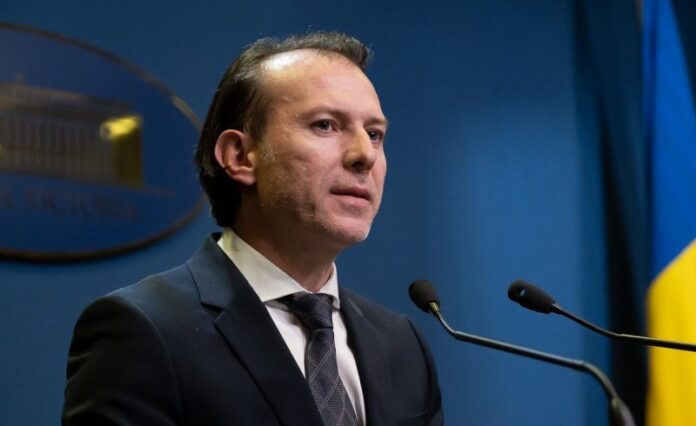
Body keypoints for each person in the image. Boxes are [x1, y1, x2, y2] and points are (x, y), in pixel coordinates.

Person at [62, 31, 443, 426]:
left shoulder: (402, 345)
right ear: (240, 156)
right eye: (326, 125)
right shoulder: (145, 330)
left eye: (375, 134)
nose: (365, 155)